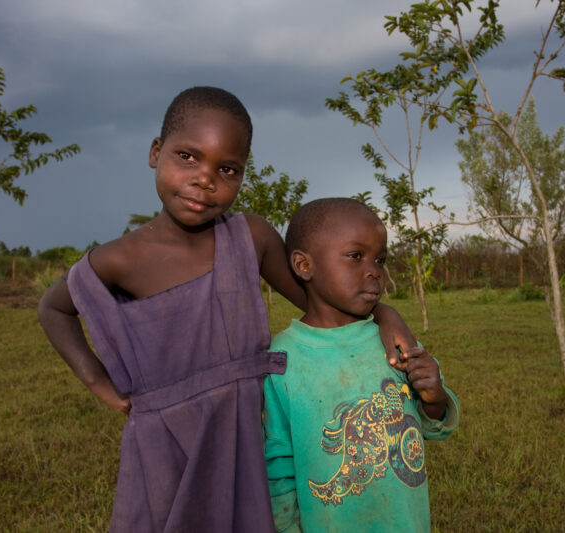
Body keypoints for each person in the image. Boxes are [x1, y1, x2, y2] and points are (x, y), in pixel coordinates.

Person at [37, 88, 416, 532]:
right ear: (156, 152)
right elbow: (54, 308)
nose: (205, 179)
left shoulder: (249, 238)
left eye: (227, 169)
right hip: (165, 447)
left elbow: (321, 297)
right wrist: (99, 384)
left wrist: (384, 314)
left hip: (241, 437)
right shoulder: (122, 258)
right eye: (187, 157)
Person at [263, 198, 460, 533]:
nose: (374, 271)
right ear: (303, 265)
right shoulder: (283, 359)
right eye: (356, 256)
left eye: (380, 260)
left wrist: (436, 396)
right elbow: (278, 465)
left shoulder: (393, 340)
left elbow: (435, 425)